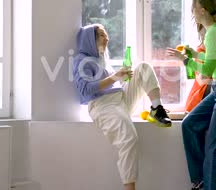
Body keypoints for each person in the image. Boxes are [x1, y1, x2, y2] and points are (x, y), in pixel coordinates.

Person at [72, 23, 172, 190]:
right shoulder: (81, 60)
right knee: (129, 139)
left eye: (106, 34)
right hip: (103, 106)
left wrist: (121, 77)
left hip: (120, 99)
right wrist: (114, 78)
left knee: (143, 68)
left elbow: (111, 83)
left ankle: (157, 109)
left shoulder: (101, 59)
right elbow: (85, 90)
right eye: (102, 35)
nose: (107, 38)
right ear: (90, 39)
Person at [167, 0, 216, 190]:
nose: (192, 12)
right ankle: (200, 182)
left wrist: (184, 60)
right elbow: (214, 62)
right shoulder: (215, 29)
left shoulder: (214, 32)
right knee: (190, 125)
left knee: (214, 148)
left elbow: (207, 71)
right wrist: (193, 54)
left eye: (193, 8)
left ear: (201, 9)